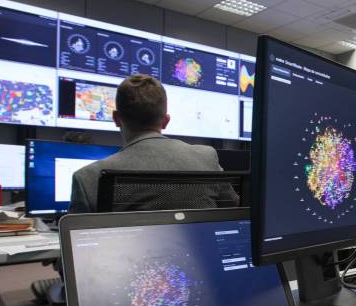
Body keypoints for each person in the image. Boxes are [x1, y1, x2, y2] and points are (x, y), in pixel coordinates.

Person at [68, 74, 234, 213]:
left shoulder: (88, 178)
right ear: (165, 121)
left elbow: (78, 244)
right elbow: (234, 210)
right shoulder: (206, 158)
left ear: (116, 118)